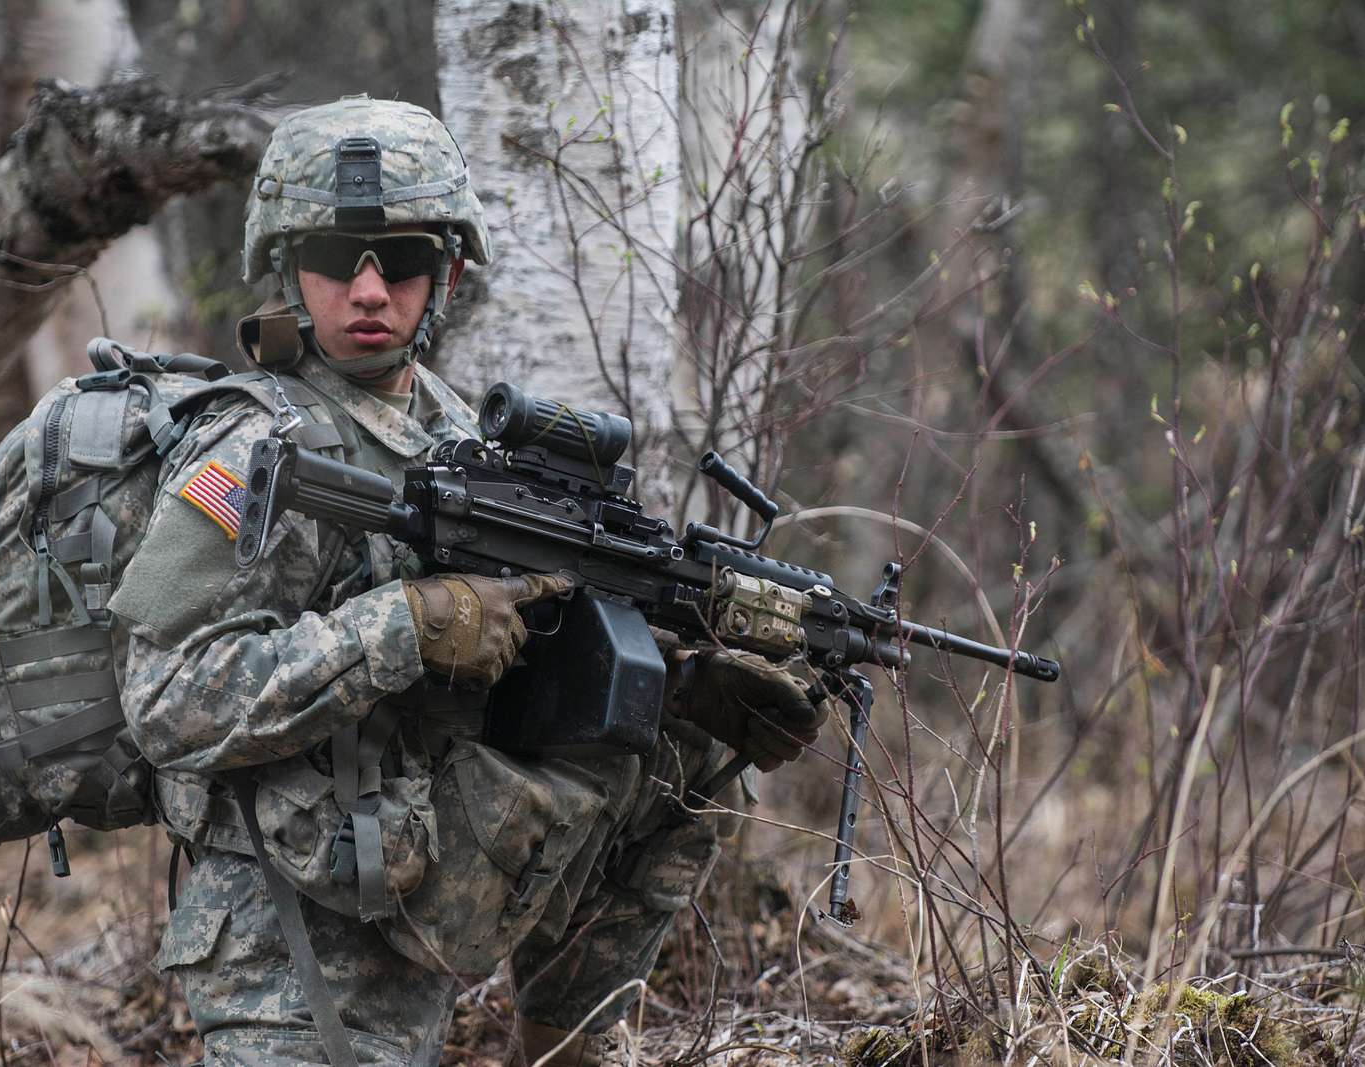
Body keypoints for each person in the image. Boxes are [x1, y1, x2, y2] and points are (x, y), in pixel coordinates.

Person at [107, 95, 827, 1067]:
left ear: (445, 272)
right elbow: (167, 701)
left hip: (423, 877)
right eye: (333, 254)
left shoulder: (464, 441)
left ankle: (570, 1043)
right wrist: (403, 624)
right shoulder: (247, 447)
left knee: (681, 754)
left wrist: (678, 682)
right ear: (285, 266)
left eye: (400, 260)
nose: (369, 290)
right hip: (288, 925)